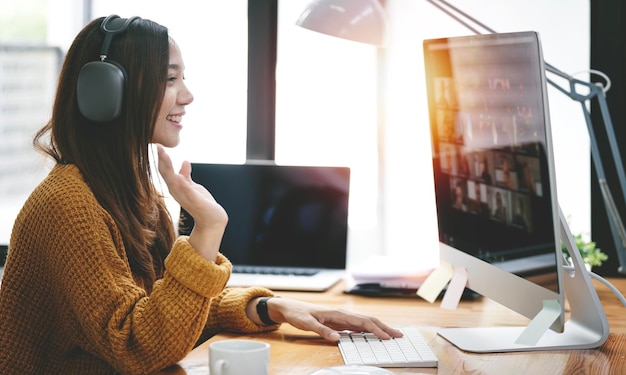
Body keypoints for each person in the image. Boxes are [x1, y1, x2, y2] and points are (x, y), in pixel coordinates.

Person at [0, 15, 402, 375]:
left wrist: (271, 307)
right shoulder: (67, 204)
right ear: (109, 92)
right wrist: (208, 227)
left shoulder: (130, 192)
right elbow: (140, 347)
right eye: (170, 79)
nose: (187, 95)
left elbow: (172, 311)